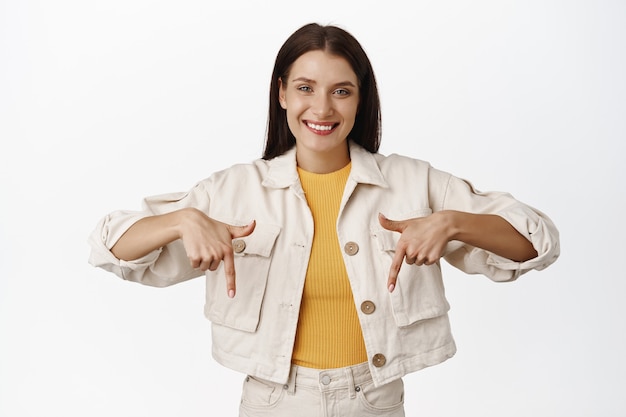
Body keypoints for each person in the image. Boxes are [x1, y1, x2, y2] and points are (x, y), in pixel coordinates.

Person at [88, 22, 560, 417]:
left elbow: (535, 244)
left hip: (375, 401)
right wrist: (182, 220)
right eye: (305, 88)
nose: (322, 108)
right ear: (281, 94)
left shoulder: (413, 182)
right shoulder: (234, 190)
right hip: (273, 401)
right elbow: (110, 248)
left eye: (341, 91)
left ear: (360, 100)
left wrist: (454, 221)